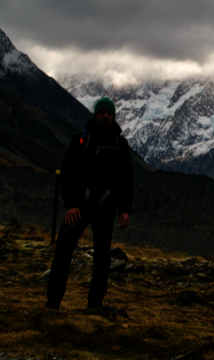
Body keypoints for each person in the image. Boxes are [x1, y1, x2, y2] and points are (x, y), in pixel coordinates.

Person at [45, 97, 134, 310]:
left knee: (102, 255)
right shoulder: (80, 139)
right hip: (79, 205)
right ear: (96, 114)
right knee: (64, 245)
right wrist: (71, 206)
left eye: (108, 113)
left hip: (106, 206)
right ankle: (53, 300)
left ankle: (96, 302)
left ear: (113, 116)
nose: (105, 116)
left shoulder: (120, 144)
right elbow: (66, 174)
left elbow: (127, 179)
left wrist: (125, 210)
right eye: (101, 112)